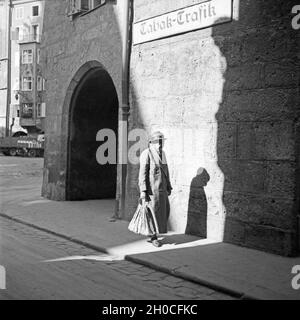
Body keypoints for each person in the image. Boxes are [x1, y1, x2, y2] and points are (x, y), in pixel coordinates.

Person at [138, 131, 172, 247]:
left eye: (162, 142)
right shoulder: (146, 154)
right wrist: (143, 191)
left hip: (162, 190)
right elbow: (142, 174)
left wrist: (169, 186)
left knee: (164, 212)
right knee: (152, 213)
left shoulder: (163, 154)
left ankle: (156, 232)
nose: (160, 144)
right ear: (151, 143)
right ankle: (153, 236)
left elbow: (166, 172)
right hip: (152, 191)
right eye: (158, 142)